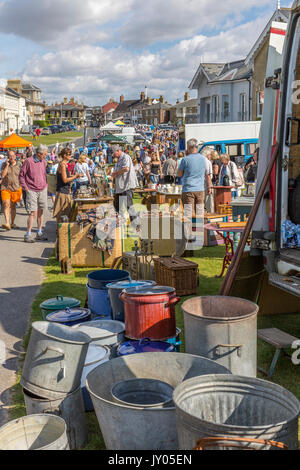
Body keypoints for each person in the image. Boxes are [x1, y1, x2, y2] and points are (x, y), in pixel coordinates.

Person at [19, 144, 49, 243]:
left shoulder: (43, 161)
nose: (46, 155)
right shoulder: (28, 161)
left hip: (42, 189)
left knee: (41, 211)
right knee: (33, 213)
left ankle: (39, 232)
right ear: (39, 153)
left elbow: (44, 174)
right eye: (45, 154)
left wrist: (46, 185)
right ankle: (28, 234)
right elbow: (21, 176)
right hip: (31, 190)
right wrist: (26, 188)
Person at [177, 138, 212, 219]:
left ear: (189, 147)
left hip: (188, 189)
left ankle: (189, 231)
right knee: (199, 214)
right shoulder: (203, 159)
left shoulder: (185, 159)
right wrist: (209, 186)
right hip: (200, 189)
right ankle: (199, 231)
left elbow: (179, 174)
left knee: (189, 214)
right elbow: (207, 175)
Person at [53, 148, 81, 222]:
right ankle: (60, 231)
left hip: (63, 191)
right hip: (62, 192)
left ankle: (59, 230)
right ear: (65, 155)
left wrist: (72, 176)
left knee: (62, 213)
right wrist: (75, 176)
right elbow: (65, 180)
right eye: (69, 154)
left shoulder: (63, 164)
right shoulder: (62, 165)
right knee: (61, 213)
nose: (71, 156)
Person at [111, 145, 138, 220]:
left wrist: (116, 173)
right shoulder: (118, 160)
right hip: (120, 186)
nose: (113, 155)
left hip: (127, 185)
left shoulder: (125, 157)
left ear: (118, 151)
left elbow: (126, 168)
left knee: (129, 205)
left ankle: (136, 224)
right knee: (117, 205)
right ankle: (118, 223)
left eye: (114, 153)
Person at [1, 151, 22, 230]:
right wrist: (7, 165)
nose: (11, 157)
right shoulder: (4, 164)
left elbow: (22, 177)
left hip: (15, 188)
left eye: (13, 155)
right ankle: (7, 223)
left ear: (15, 156)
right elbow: (3, 175)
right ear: (8, 157)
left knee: (13, 206)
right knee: (6, 204)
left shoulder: (19, 165)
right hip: (5, 188)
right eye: (10, 156)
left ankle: (12, 223)